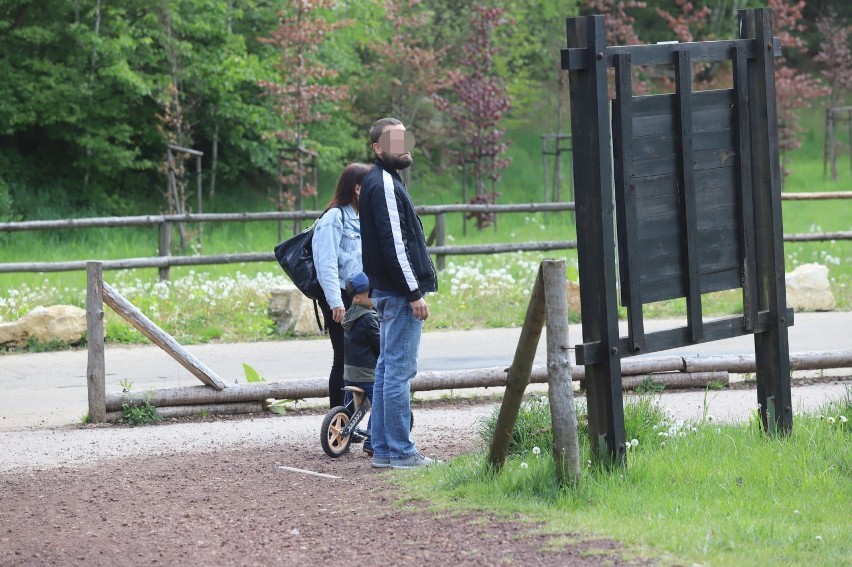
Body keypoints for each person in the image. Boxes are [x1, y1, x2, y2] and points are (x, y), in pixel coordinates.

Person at [359, 117, 438, 469]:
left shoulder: (382, 181)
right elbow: (396, 245)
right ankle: (400, 452)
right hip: (398, 292)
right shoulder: (386, 184)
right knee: (399, 371)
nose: (403, 146)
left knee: (387, 367)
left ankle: (382, 447)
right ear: (378, 148)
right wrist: (414, 292)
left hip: (388, 291)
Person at [312, 162, 371, 408]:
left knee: (358, 358)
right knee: (343, 357)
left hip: (360, 297)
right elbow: (325, 264)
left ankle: (350, 420)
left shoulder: (361, 217)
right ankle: (339, 420)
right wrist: (335, 302)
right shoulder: (334, 218)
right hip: (340, 298)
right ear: (358, 188)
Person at [341, 271, 379, 456]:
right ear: (357, 298)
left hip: (349, 372)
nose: (374, 294)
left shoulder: (349, 316)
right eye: (370, 292)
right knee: (379, 401)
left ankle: (346, 430)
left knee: (350, 403)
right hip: (366, 373)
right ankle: (373, 440)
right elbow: (379, 346)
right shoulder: (369, 318)